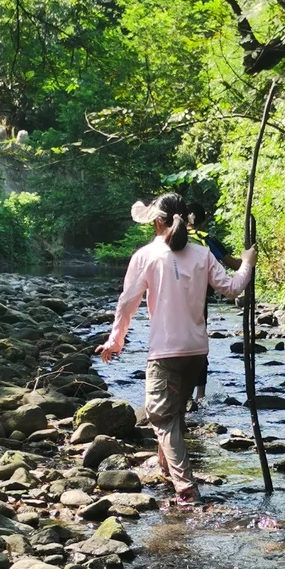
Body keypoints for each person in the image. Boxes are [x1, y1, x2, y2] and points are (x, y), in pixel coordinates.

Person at [96, 193, 257, 505]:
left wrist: (115, 341)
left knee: (162, 418)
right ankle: (166, 469)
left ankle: (185, 489)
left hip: (165, 352)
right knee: (174, 415)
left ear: (157, 222)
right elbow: (233, 288)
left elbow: (127, 303)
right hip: (196, 351)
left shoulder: (145, 256)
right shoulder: (202, 254)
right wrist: (247, 263)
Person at [186, 202, 242, 403]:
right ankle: (199, 396)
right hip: (199, 301)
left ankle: (177, 395)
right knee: (199, 346)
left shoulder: (169, 239)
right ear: (203, 220)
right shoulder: (208, 241)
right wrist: (249, 258)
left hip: (169, 301)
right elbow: (234, 265)